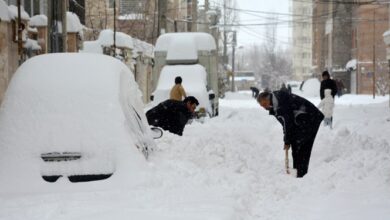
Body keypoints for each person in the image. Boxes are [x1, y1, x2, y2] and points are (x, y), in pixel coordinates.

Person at [257, 90, 324, 178]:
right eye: (262, 106)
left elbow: (288, 122)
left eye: (264, 104)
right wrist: (288, 139)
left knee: (300, 145)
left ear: (268, 98)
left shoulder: (280, 102)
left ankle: (300, 174)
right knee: (296, 144)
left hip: (310, 118)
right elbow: (285, 124)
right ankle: (299, 172)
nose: (264, 107)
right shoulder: (275, 104)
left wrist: (287, 141)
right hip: (305, 119)